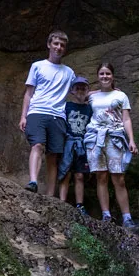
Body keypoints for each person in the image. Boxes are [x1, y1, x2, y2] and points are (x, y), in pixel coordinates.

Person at [20, 29, 78, 197]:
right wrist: (23, 116)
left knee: (53, 155)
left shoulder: (69, 72)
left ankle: (51, 195)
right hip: (37, 111)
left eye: (62, 45)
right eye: (56, 44)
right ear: (49, 45)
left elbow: (80, 92)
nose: (59, 47)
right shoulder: (37, 66)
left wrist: (104, 91)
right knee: (37, 145)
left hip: (58, 116)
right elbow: (28, 93)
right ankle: (33, 181)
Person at [87, 61, 139, 226]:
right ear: (97, 76)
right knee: (101, 177)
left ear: (113, 76)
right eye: (101, 74)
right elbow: (77, 95)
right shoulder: (92, 96)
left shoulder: (121, 96)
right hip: (95, 138)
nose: (105, 76)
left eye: (107, 73)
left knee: (119, 179)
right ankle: (106, 215)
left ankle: (127, 217)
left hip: (115, 138)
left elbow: (126, 119)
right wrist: (93, 91)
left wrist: (131, 140)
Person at [57, 79, 92, 213]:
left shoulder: (90, 108)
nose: (80, 91)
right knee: (65, 172)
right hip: (68, 143)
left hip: (82, 145)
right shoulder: (66, 106)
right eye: (77, 88)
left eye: (83, 89)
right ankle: (61, 203)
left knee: (79, 175)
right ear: (72, 91)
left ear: (87, 91)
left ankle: (79, 205)